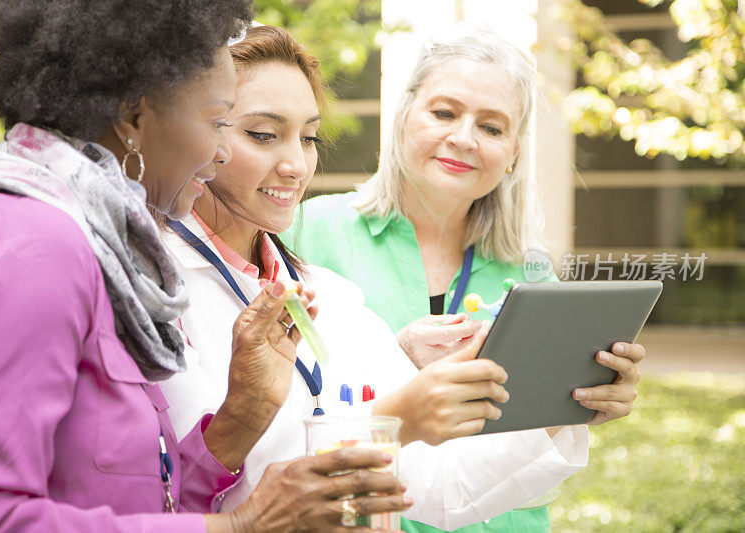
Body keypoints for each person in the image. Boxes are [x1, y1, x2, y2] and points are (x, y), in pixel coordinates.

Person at [0, 2, 409, 532]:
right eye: (217, 122)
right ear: (134, 116)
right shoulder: (28, 244)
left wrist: (242, 414)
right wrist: (242, 525)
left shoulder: (105, 251)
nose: (217, 155)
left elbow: (139, 502)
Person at [158, 25, 637, 531]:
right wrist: (398, 417)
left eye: (309, 138)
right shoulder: (152, 288)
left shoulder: (334, 297)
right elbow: (177, 490)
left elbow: (438, 486)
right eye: (262, 134)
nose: (298, 165)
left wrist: (566, 403)